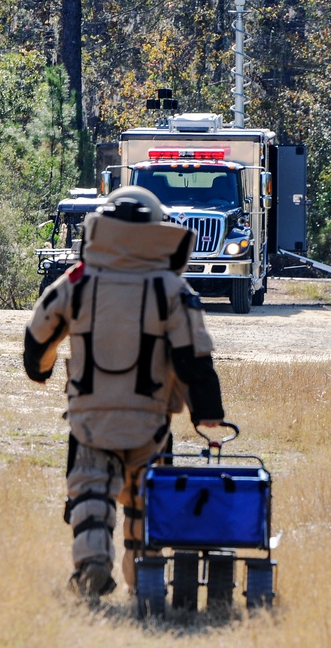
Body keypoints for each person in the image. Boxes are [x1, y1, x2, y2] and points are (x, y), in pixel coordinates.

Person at [23, 186, 225, 599]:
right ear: (156, 230)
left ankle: (92, 565)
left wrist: (39, 371)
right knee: (144, 502)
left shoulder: (78, 280)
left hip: (89, 419)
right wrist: (207, 412)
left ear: (103, 228)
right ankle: (145, 582)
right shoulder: (170, 287)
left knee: (90, 494)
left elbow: (39, 335)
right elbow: (194, 357)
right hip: (150, 423)